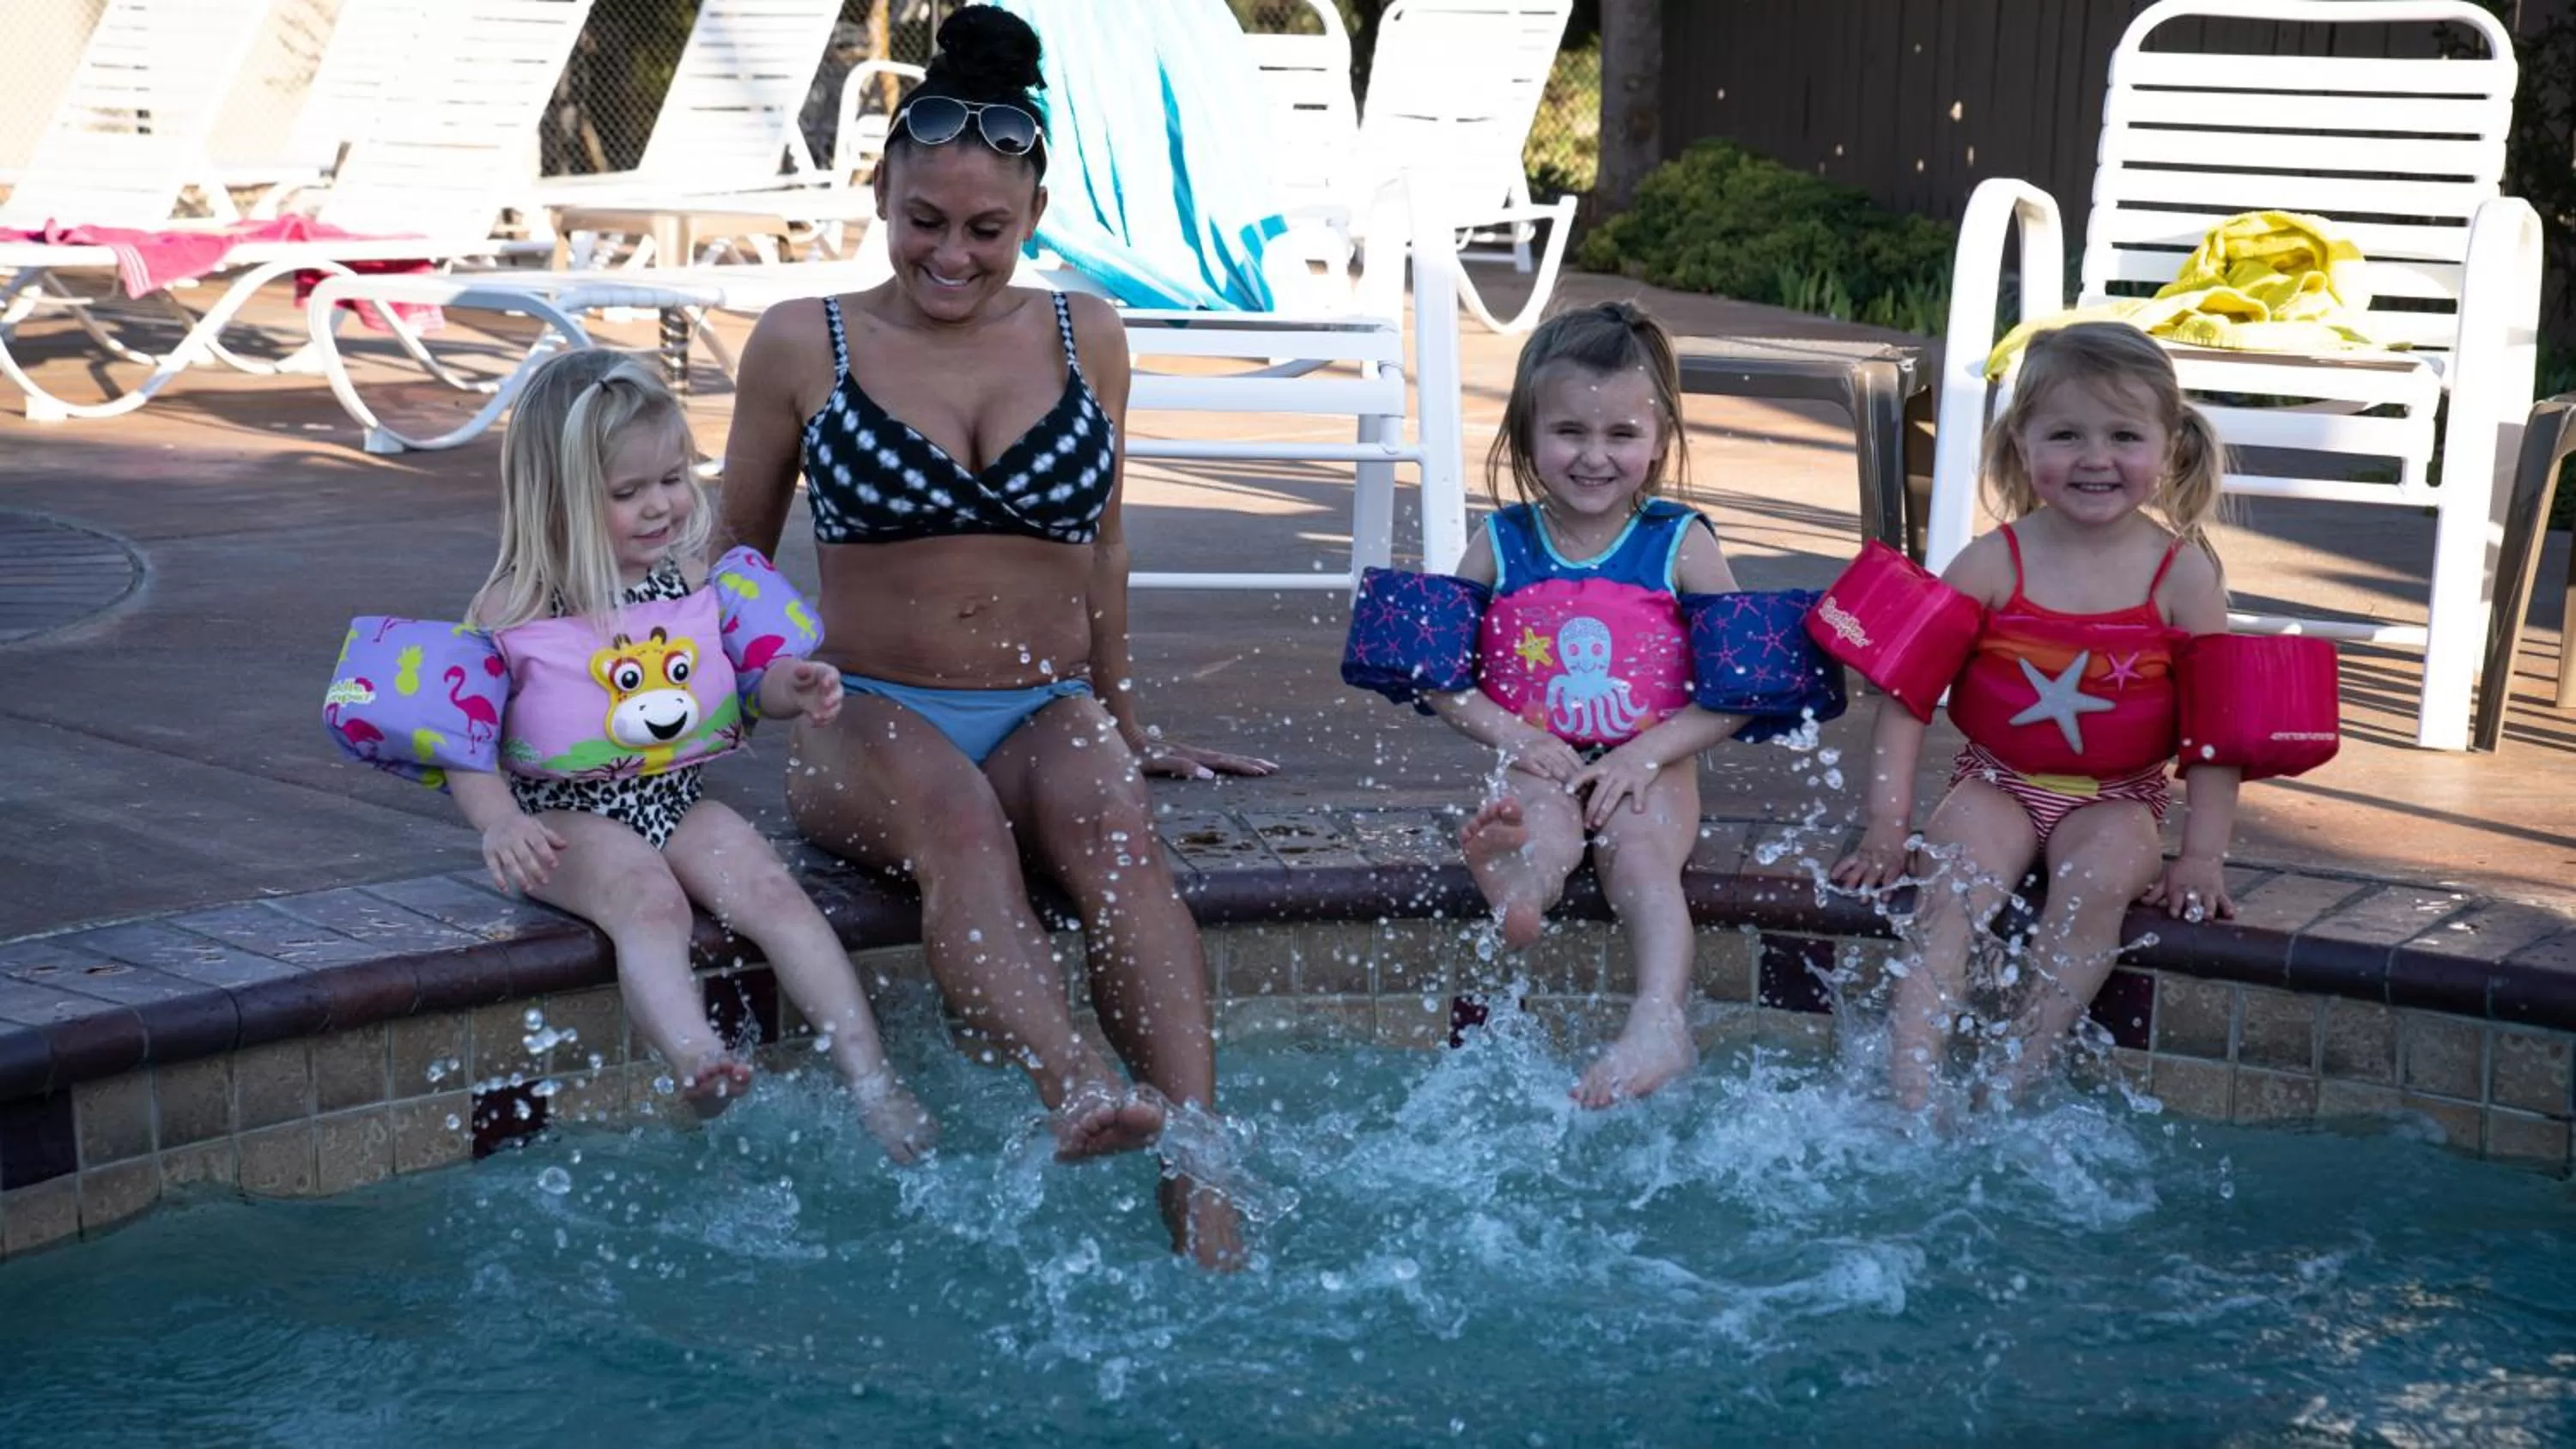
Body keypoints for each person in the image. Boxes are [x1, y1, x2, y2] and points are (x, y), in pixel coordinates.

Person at [715, 7, 1270, 1269]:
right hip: (865, 706)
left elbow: (1104, 546)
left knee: (1117, 832)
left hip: (1040, 701)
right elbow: (735, 554)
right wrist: (722, 699)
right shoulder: (806, 338)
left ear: (1034, 215)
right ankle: (1073, 1081)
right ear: (880, 192)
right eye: (925, 221)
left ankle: (1200, 1172)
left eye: (987, 231)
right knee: (958, 825)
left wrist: (1122, 716)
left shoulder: (1088, 334)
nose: (952, 255)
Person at [335, 348, 937, 1162]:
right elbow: (461, 736)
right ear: (560, 497)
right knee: (649, 902)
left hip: (676, 800)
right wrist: (500, 823)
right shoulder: (517, 602)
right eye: (628, 493)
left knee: (774, 892)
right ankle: (696, 1057)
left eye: (673, 478)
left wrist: (792, 686)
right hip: (566, 821)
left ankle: (873, 1080)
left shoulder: (687, 574)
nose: (661, 506)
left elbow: (742, 682)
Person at [1826, 322, 2239, 1112]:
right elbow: (1909, 698)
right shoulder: (1990, 563)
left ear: (2169, 447)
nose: (2095, 458)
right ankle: (1910, 1094)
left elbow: (2218, 732)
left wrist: (2201, 858)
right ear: (2022, 444)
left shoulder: (2182, 577)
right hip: (1998, 781)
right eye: (2066, 435)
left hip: (2120, 796)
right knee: (1950, 894)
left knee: (2094, 893)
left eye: (2124, 436)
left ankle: (2010, 1083)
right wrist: (1886, 825)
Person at [1430, 303, 1756, 1108]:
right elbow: (1438, 675)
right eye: (1570, 431)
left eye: (1622, 435)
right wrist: (1513, 735)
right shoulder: (1501, 542)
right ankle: (1520, 885)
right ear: (1527, 432)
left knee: (1640, 855)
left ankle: (1658, 1021)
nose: (1594, 456)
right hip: (1542, 755)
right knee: (1541, 823)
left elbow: (1744, 689)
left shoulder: (1681, 542)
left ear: (1660, 439)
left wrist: (1647, 753)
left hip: (1652, 762)